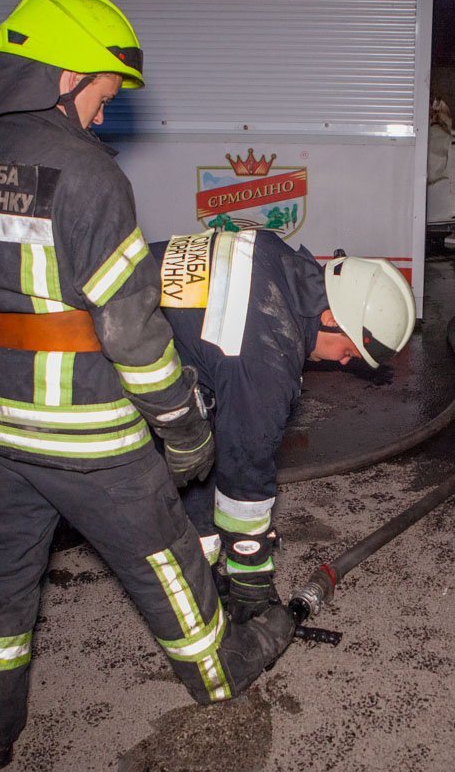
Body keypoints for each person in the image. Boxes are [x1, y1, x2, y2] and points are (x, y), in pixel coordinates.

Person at [0, 0, 293, 771]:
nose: (104, 110)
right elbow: (129, 330)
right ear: (63, 77)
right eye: (103, 93)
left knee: (0, 574)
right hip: (87, 429)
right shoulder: (87, 175)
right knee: (165, 558)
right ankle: (222, 672)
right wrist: (182, 427)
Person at [153, 229, 416, 623]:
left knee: (202, 446)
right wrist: (251, 571)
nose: (344, 362)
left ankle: (196, 571)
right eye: (349, 350)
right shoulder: (268, 354)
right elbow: (245, 466)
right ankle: (187, 602)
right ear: (330, 318)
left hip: (121, 308)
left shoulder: (273, 254)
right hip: (97, 356)